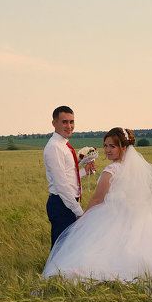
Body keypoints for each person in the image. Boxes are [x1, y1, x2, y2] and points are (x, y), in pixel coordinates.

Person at [42, 127, 152, 283]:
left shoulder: (110, 170)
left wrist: (82, 219)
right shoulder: (133, 170)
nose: (107, 150)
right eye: (105, 146)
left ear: (123, 148)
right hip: (133, 216)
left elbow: (97, 199)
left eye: (112, 146)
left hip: (111, 215)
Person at [43, 105, 94, 247]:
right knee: (61, 249)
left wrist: (85, 171)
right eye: (64, 122)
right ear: (54, 123)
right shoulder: (54, 147)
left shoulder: (64, 145)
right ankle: (54, 270)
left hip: (67, 203)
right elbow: (61, 185)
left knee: (69, 248)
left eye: (72, 122)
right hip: (62, 204)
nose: (69, 126)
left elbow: (68, 176)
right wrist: (78, 211)